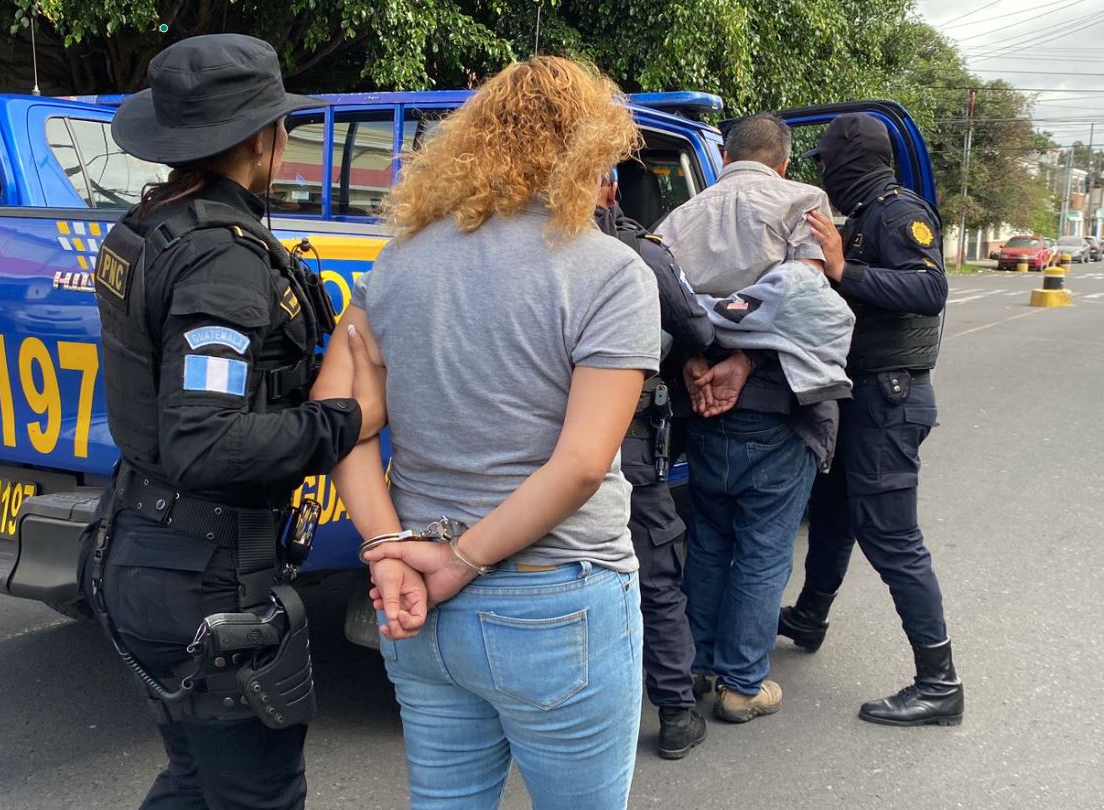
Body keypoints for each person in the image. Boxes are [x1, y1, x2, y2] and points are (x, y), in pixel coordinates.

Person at [321, 57, 657, 809]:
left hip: (419, 601)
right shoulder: (608, 272)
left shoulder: (398, 263)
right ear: (591, 148)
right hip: (554, 598)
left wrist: (385, 551)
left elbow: (337, 422)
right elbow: (577, 467)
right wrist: (459, 560)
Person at [87, 34, 383, 809]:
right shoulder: (220, 258)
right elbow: (206, 436)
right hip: (205, 571)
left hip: (148, 548)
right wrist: (344, 421)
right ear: (262, 139)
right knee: (257, 795)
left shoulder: (149, 224)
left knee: (194, 782)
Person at [655, 114, 844, 724]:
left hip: (702, 403)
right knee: (764, 547)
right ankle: (741, 685)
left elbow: (655, 302)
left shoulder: (679, 218)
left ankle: (697, 662)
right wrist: (744, 357)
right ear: (783, 162)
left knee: (709, 539)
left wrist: (695, 361)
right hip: (777, 405)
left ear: (728, 156)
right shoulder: (803, 202)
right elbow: (807, 301)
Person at [780, 112, 964, 726]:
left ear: (848, 163)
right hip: (858, 396)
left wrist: (842, 271)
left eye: (828, 165)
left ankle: (939, 683)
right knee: (831, 516)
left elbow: (928, 289)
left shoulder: (895, 212)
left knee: (893, 539)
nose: (823, 176)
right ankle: (809, 616)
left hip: (890, 398)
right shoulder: (863, 216)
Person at [595, 171, 714, 760]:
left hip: (534, 442)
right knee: (656, 570)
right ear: (611, 190)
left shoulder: (512, 248)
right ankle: (674, 710)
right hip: (626, 438)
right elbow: (698, 326)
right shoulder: (639, 252)